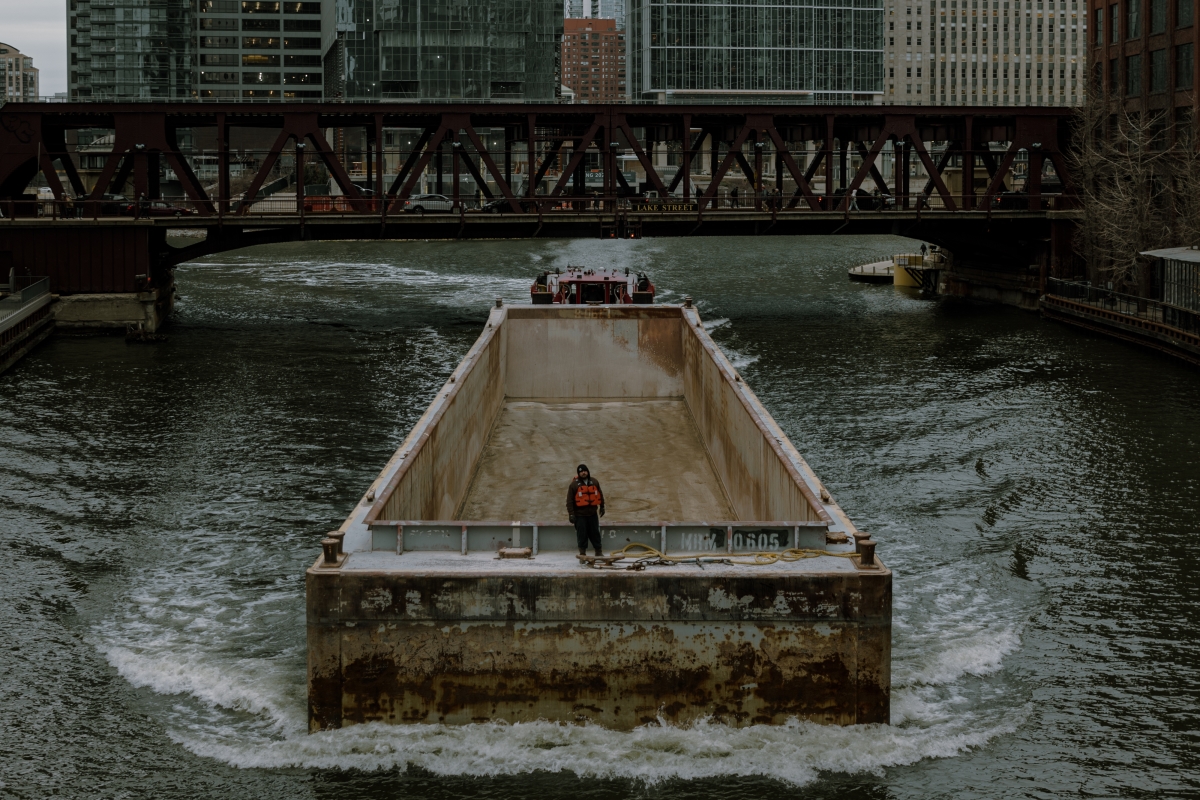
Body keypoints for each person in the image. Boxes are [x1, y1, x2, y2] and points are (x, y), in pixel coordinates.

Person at [567, 463, 605, 557]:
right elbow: (569, 500)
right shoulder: (574, 485)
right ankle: (582, 553)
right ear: (578, 473)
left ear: (588, 471)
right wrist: (571, 514)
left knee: (595, 533)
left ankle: (598, 551)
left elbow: (600, 494)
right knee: (582, 535)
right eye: (581, 472)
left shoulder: (594, 482)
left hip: (592, 514)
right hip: (580, 515)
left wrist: (602, 506)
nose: (583, 473)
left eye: (585, 471)